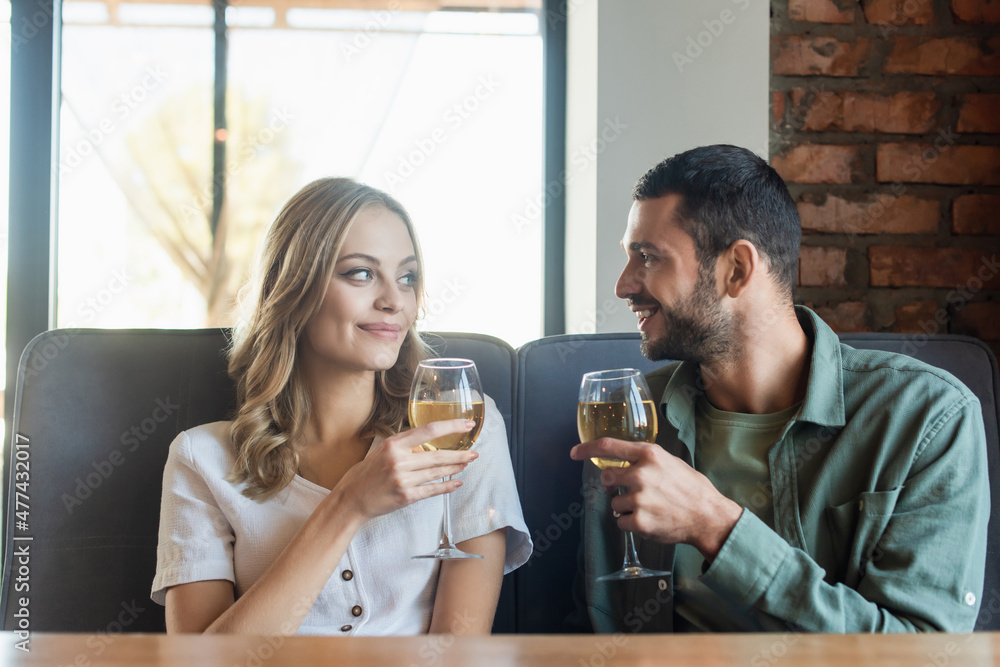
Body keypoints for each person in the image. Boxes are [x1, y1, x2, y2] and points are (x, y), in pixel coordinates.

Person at [570, 144, 989, 633]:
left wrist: (716, 526)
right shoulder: (632, 414)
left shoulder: (927, 417)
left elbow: (920, 655)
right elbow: (598, 628)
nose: (623, 285)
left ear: (738, 270)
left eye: (648, 257)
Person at [152, 178, 531, 635]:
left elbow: (458, 653)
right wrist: (349, 505)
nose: (394, 301)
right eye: (361, 273)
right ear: (294, 289)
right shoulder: (201, 458)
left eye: (407, 277)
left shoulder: (464, 424)